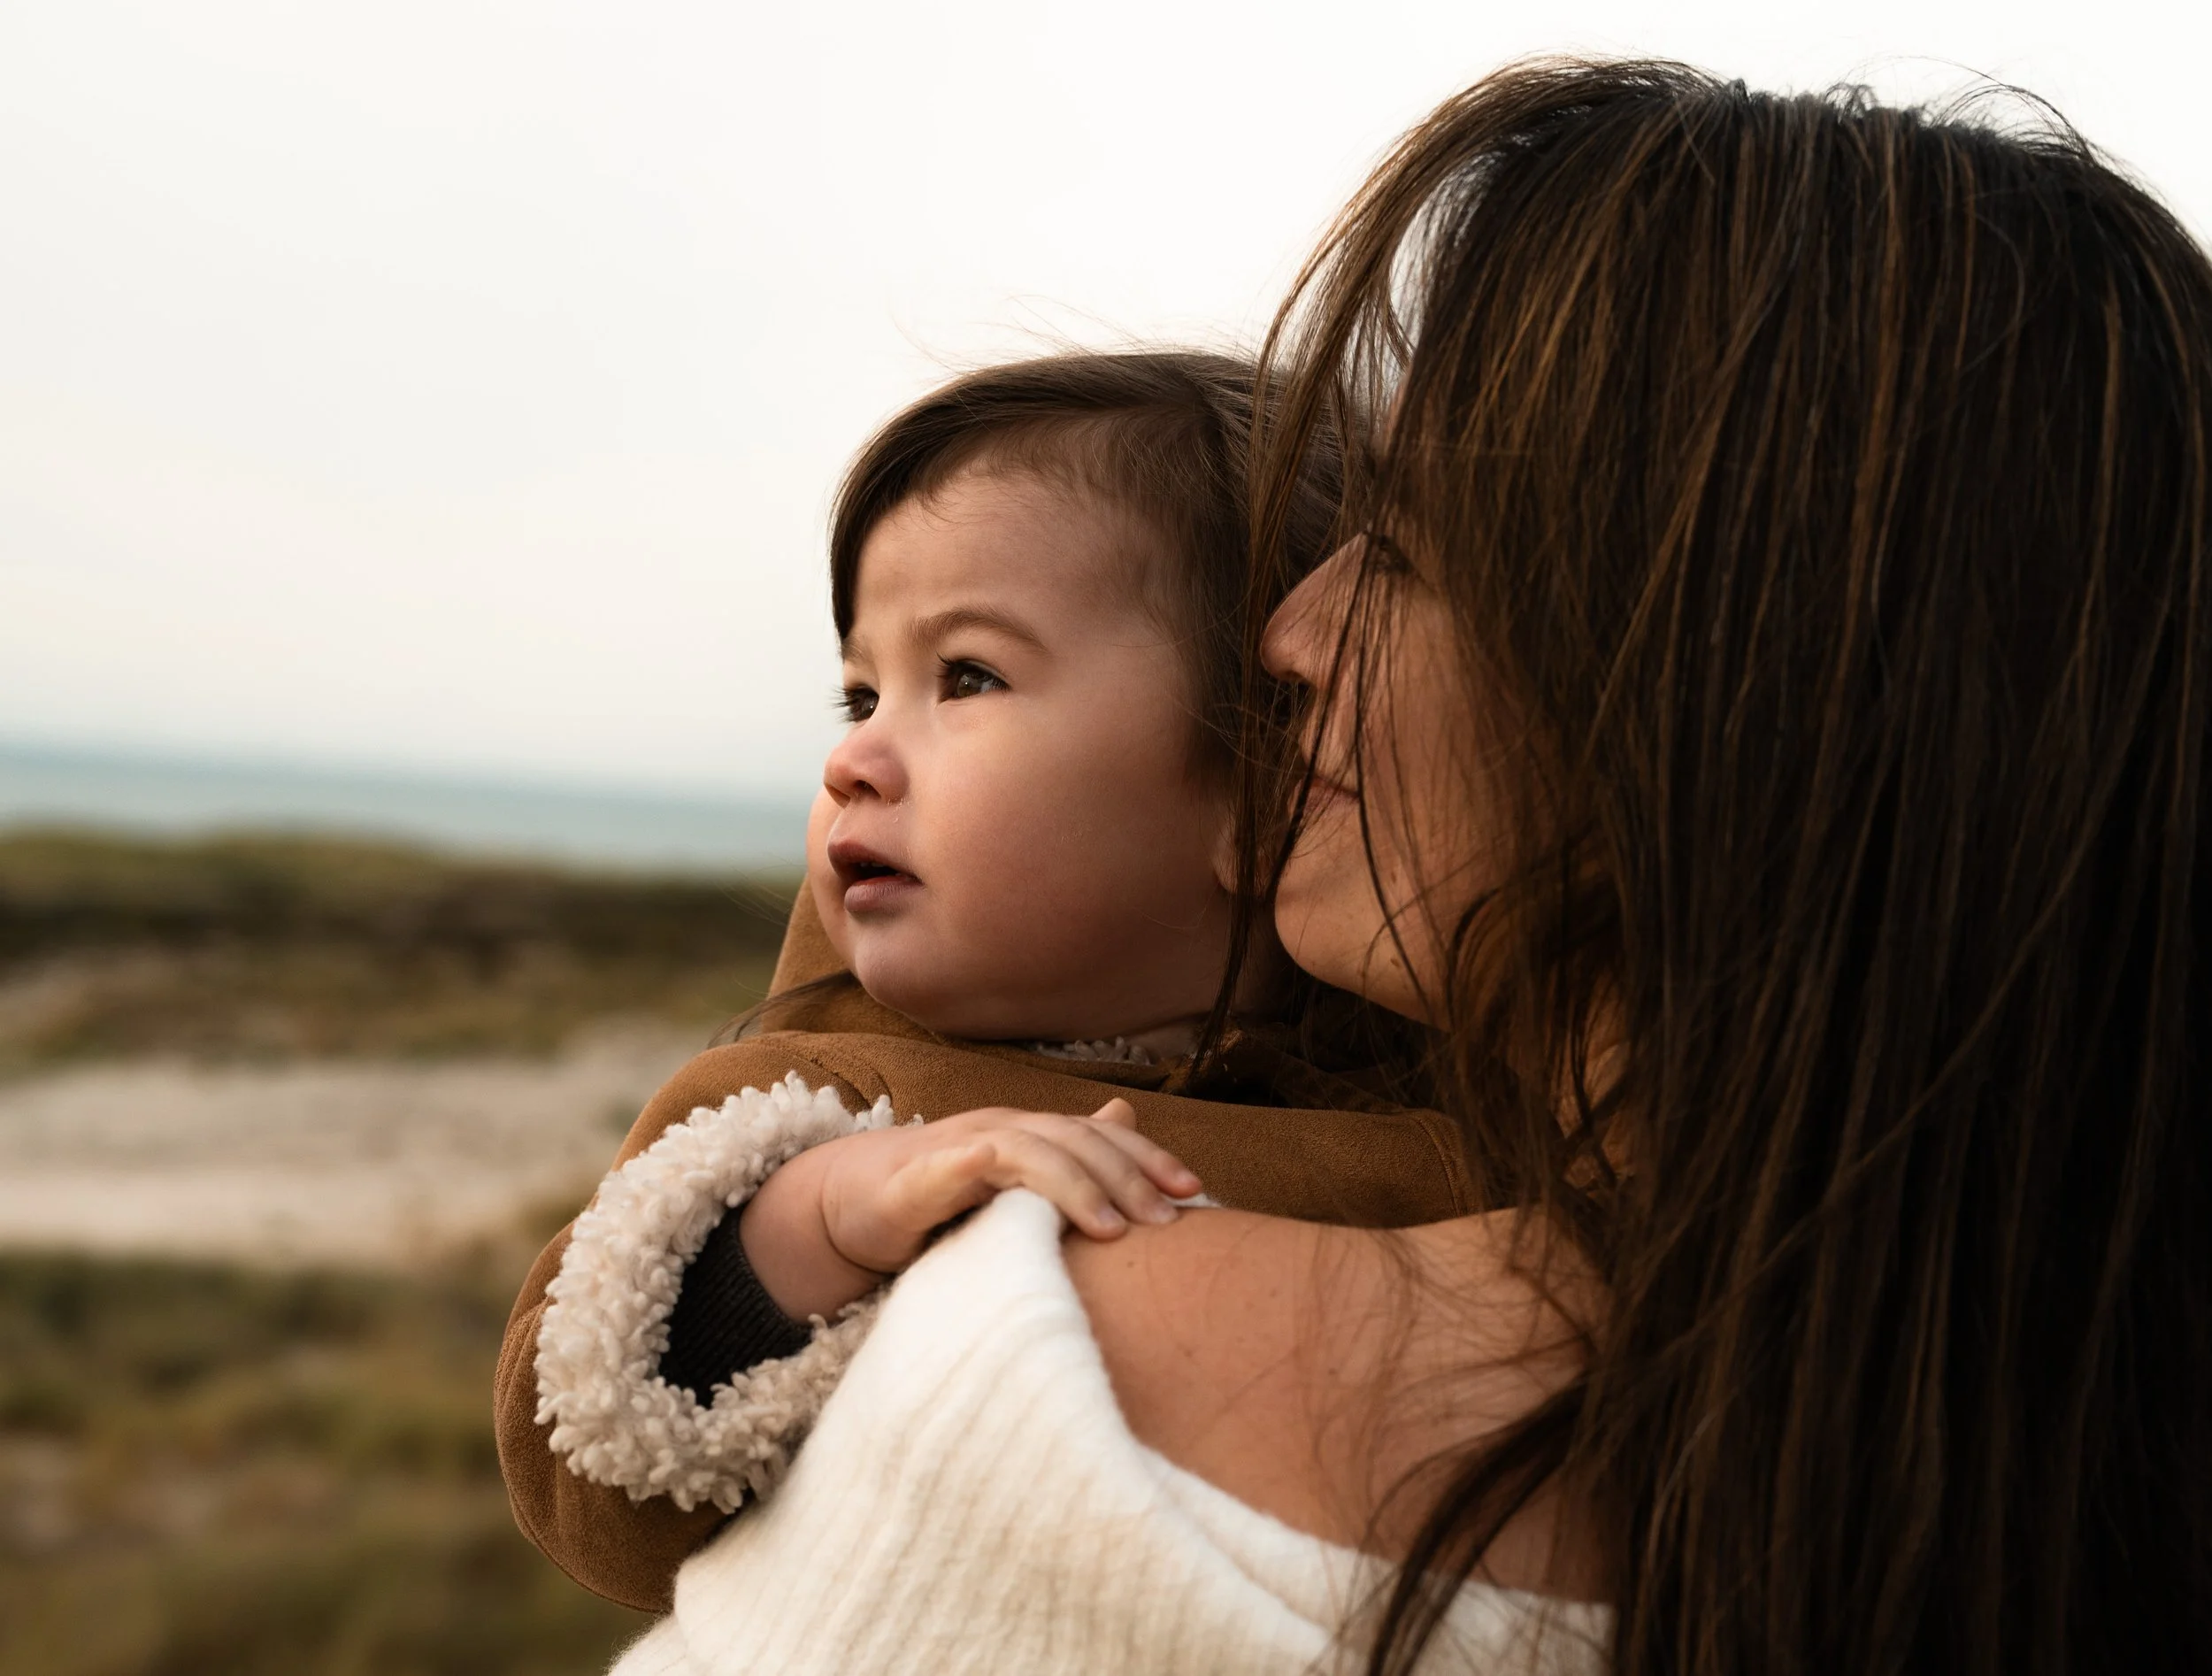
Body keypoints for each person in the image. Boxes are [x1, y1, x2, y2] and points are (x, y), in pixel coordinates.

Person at [559, 57, 2211, 1676]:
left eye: (1411, 551)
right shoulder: (2067, 1457)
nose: (1285, 639)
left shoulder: (1064, 1377)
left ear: (1728, 693)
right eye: (860, 691)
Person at [497, 350, 1475, 1614]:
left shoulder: (1429, 1096)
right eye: (859, 691)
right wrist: (824, 1222)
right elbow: (579, 1463)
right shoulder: (811, 1104)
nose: (855, 755)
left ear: (1267, 774)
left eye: (966, 676)